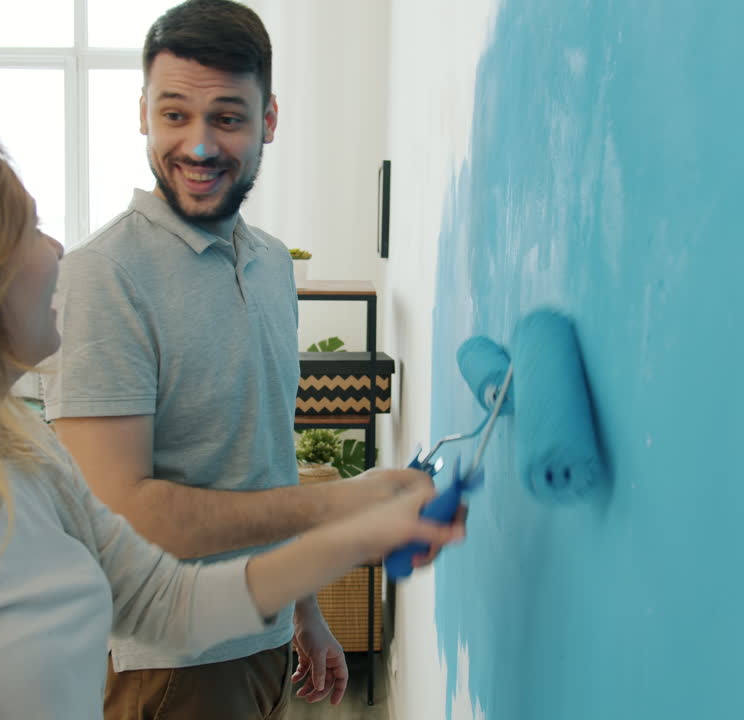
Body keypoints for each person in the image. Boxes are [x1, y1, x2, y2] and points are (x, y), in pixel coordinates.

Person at [0, 122, 463, 720]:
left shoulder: (24, 461)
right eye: (29, 227)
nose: (55, 251)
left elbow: (167, 603)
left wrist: (358, 537)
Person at [39, 0, 442, 717]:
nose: (197, 146)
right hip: (168, 663)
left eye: (226, 117)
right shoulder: (103, 275)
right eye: (173, 115)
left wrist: (303, 611)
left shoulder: (270, 266)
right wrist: (348, 506)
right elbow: (127, 512)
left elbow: (265, 456)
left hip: (258, 635)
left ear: (270, 120)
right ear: (142, 114)